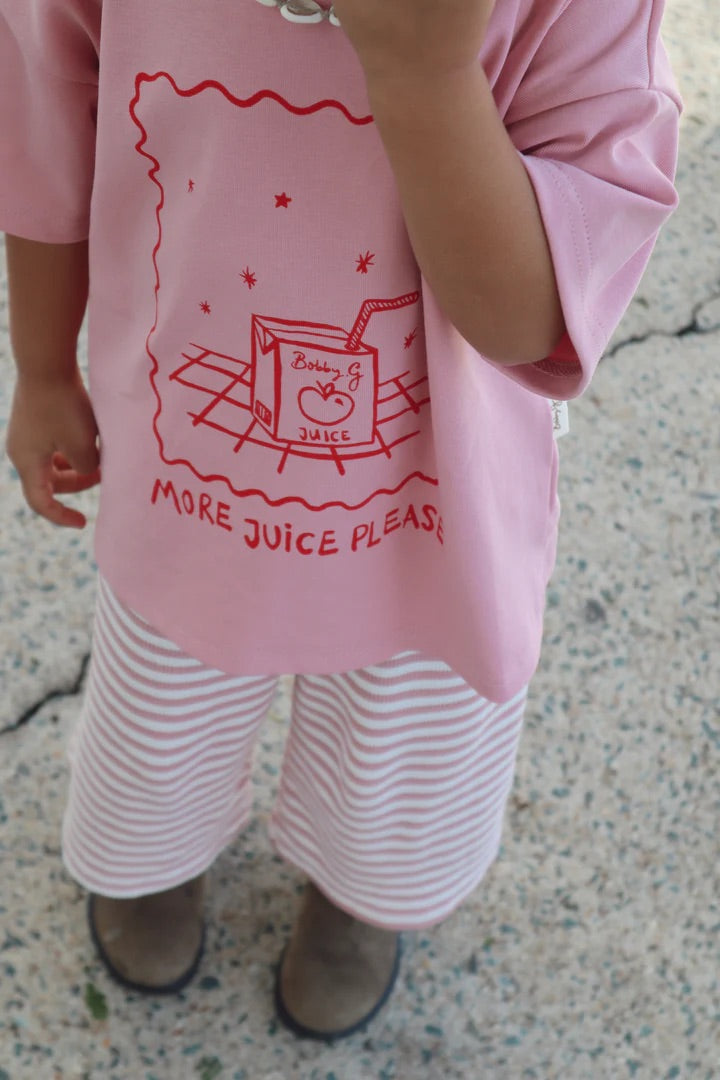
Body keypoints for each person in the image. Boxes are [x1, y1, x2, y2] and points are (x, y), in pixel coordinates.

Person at [0, 0, 681, 1041]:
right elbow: (46, 126)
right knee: (159, 704)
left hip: (438, 509)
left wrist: (425, 76)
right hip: (188, 473)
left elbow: (534, 321)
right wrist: (43, 367)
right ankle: (153, 853)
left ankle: (365, 899)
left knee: (407, 747)